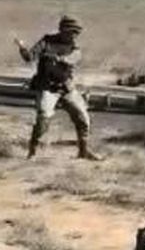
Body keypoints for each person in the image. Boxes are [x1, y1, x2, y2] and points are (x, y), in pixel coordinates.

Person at [16, 15, 101, 161]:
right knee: (44, 118)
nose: (74, 35)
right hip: (47, 87)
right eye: (71, 31)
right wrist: (22, 47)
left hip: (66, 87)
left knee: (83, 118)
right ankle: (33, 152)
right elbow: (29, 57)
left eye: (76, 32)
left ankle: (83, 151)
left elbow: (73, 58)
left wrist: (60, 59)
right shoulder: (46, 41)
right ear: (62, 30)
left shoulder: (74, 47)